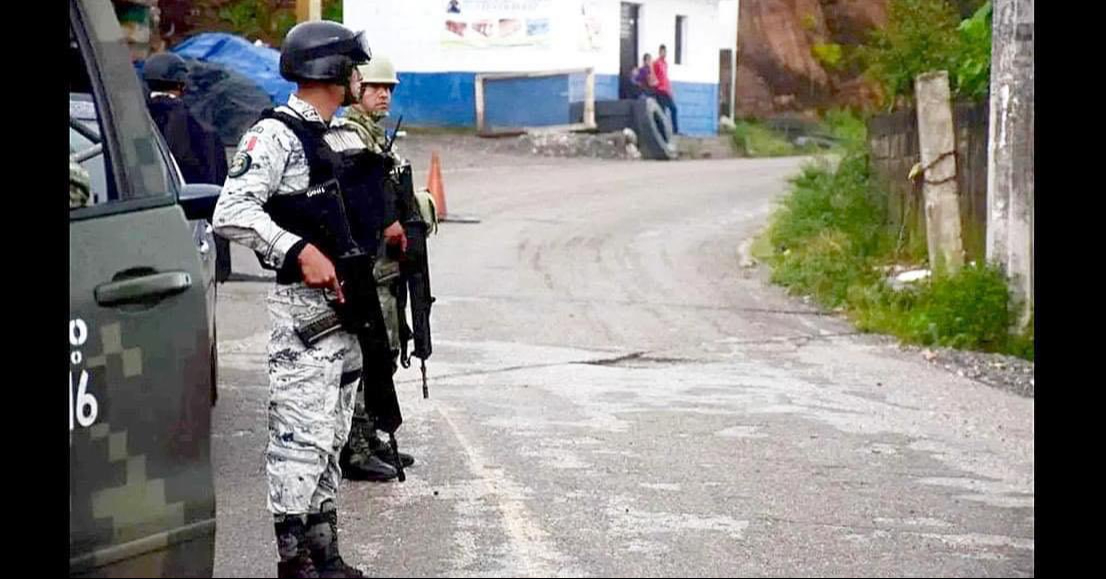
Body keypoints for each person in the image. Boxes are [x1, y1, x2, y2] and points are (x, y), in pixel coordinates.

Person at [212, 20, 377, 579]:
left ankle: (324, 549)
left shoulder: (335, 134)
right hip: (303, 321)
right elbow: (232, 211)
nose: (359, 77)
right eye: (352, 67)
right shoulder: (276, 135)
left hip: (345, 315)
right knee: (297, 439)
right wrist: (297, 249)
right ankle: (294, 561)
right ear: (332, 71)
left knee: (330, 436)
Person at [338, 55, 416, 482]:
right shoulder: (350, 135)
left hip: (385, 267)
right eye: (375, 88)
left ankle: (373, 435)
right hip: (368, 265)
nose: (384, 95)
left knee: (385, 349)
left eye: (389, 88)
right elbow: (360, 198)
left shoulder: (374, 134)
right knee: (369, 352)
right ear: (357, 90)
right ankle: (357, 445)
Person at [143, 51, 232, 282]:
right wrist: (221, 261)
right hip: (186, 234)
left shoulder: (124, 124)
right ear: (182, 84)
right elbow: (216, 193)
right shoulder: (202, 131)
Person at [651, 44, 679, 134]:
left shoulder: (665, 63)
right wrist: (655, 85)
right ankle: (661, 131)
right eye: (662, 51)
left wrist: (670, 90)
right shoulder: (656, 63)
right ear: (660, 52)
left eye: (665, 52)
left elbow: (665, 77)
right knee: (662, 111)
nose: (664, 53)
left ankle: (675, 130)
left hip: (666, 90)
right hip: (660, 90)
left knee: (674, 109)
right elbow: (653, 75)